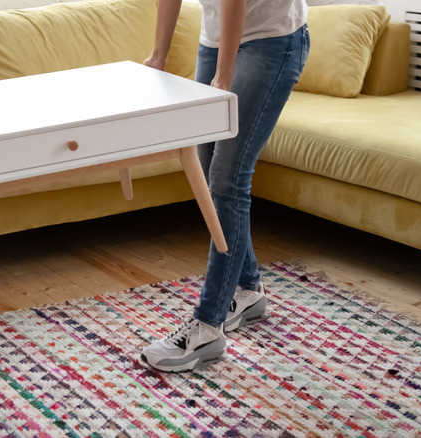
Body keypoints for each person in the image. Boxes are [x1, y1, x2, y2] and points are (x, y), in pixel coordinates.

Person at [141, 0, 309, 372]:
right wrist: (158, 55)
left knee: (227, 179)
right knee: (204, 169)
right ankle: (248, 289)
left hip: (270, 39)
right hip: (215, 39)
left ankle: (208, 325)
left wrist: (224, 75)